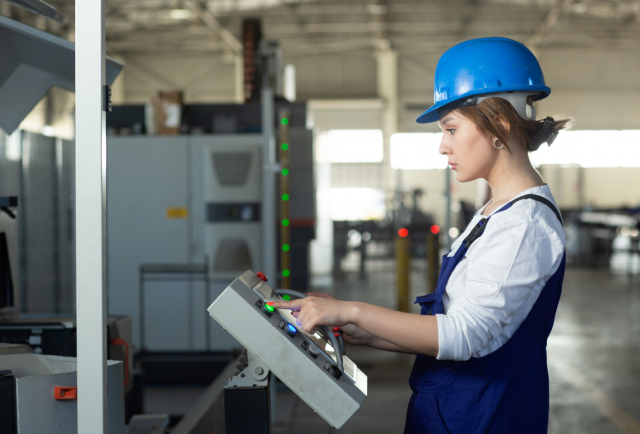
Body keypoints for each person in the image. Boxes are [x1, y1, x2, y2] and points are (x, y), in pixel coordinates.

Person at [268, 37, 571, 433]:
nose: (443, 147)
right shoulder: (496, 211)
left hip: (484, 418)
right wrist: (362, 330)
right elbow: (450, 325)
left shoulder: (524, 224)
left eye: (450, 128)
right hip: (455, 412)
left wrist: (353, 310)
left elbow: (464, 336)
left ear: (499, 124)